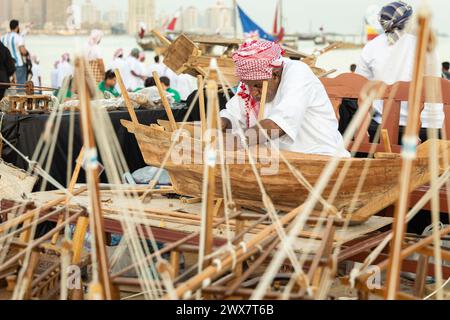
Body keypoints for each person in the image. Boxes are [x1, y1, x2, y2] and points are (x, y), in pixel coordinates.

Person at [220, 39, 350, 157]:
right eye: (249, 86)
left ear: (275, 75)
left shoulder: (298, 73)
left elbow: (278, 125)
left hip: (321, 157)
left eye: (258, 86)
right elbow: (233, 113)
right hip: (280, 158)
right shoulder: (253, 79)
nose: (254, 93)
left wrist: (238, 141)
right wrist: (223, 121)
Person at [356, 1, 443, 141]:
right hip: (428, 128)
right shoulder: (425, 46)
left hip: (383, 127)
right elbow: (437, 85)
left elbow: (358, 86)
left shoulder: (371, 48)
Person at [1, 20, 27, 85]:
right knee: (20, 85)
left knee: (7, 85)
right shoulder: (18, 37)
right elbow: (23, 51)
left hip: (5, 65)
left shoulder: (3, 37)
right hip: (17, 64)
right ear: (17, 27)